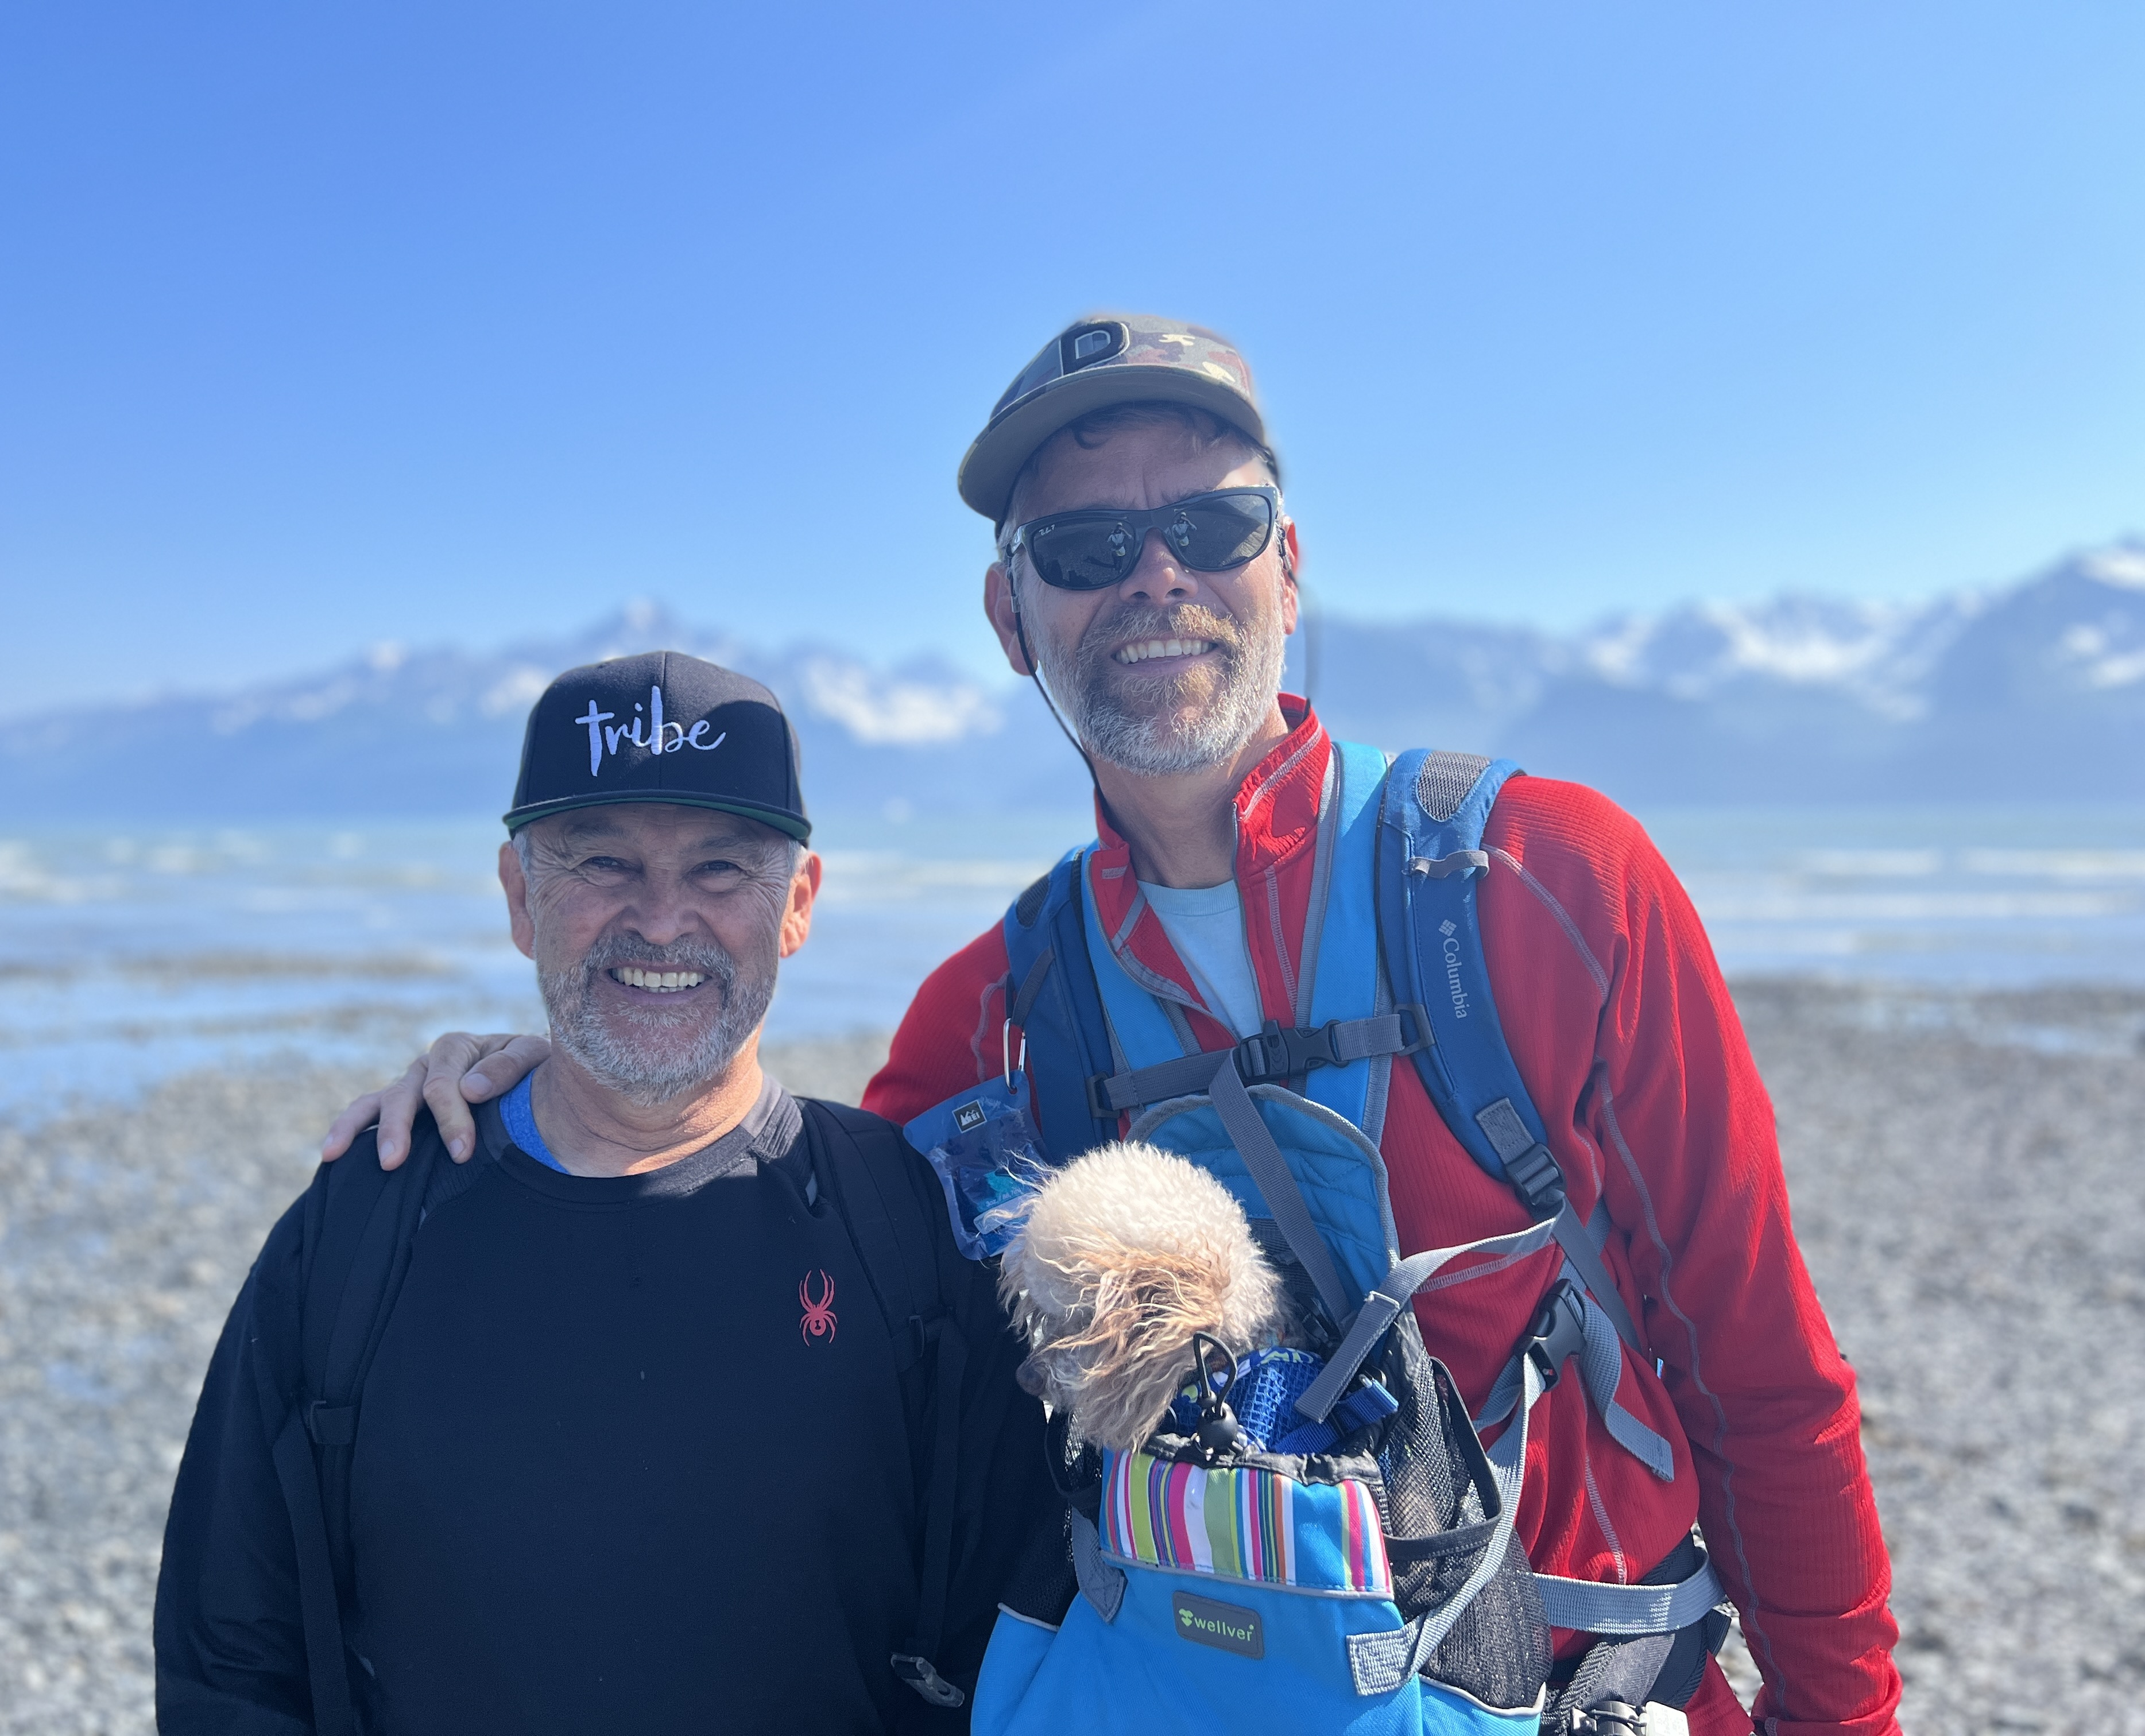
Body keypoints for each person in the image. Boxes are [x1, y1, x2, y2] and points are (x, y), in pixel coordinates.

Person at [332, 318, 1903, 1735]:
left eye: (1210, 527)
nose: (1155, 579)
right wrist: (564, 1087)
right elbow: (806, 1295)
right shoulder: (995, 1007)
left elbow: (1759, 1366)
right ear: (1011, 614)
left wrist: (1846, 1717)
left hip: (1573, 1698)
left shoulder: (1541, 883)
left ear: (1289, 565)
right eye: (1085, 547)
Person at [159, 652, 1068, 1735]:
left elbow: (1005, 1646)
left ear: (798, 904)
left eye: (721, 869)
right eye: (603, 861)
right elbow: (230, 1655)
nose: (662, 919)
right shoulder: (365, 1225)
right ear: (519, 896)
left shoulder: (903, 1228)